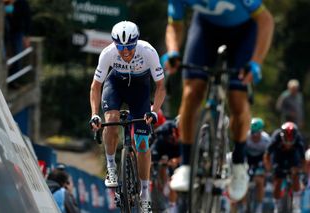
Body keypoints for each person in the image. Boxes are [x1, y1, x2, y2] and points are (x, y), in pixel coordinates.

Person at [162, 0, 275, 201]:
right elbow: (175, 24)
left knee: (237, 99)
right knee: (191, 93)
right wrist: (173, 51)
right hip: (205, 28)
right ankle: (187, 165)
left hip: (243, 33)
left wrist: (256, 62)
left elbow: (266, 21)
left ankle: (239, 164)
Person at [89, 21, 166, 212]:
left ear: (136, 42)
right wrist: (94, 115)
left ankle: (145, 193)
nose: (125, 52)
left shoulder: (148, 52)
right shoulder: (108, 53)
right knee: (112, 119)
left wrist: (154, 111)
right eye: (120, 47)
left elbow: (161, 86)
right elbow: (96, 86)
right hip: (115, 84)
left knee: (142, 143)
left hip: (140, 89)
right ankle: (111, 166)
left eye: (129, 47)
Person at [263, 121, 305, 213]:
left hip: (293, 157)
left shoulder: (298, 139)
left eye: (291, 143)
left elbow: (303, 159)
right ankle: (277, 205)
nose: (288, 145)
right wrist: (269, 168)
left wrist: (300, 170)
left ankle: (296, 205)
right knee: (278, 179)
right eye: (286, 142)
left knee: (296, 176)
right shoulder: (276, 137)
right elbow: (267, 155)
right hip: (279, 157)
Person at [242, 117, 271, 213]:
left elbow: (268, 157)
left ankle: (259, 205)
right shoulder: (246, 137)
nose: (254, 135)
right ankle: (244, 205)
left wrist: (267, 170)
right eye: (252, 132)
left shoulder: (266, 140)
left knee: (260, 181)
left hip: (260, 160)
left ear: (261, 132)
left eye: (256, 133)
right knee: (244, 181)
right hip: (248, 158)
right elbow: (240, 153)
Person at [3, 0, 31, 76]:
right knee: (4, 59)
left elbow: (27, 19)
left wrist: (26, 36)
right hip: (5, 34)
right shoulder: (5, 3)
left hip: (17, 33)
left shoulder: (23, 3)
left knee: (18, 57)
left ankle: (12, 81)